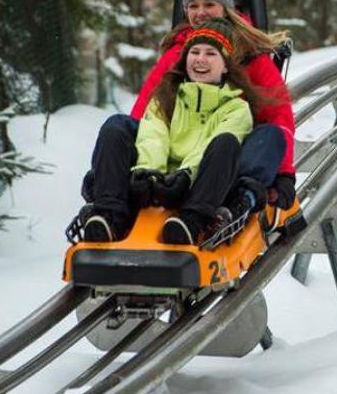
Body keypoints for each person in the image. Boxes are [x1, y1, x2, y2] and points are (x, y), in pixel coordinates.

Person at [84, 0, 296, 227]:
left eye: (209, 4)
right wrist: (136, 164)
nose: (201, 13)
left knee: (268, 136)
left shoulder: (251, 53)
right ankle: (109, 205)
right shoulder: (177, 52)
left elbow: (278, 115)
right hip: (173, 148)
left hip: (221, 154)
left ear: (226, 7)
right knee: (118, 126)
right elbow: (148, 111)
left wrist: (285, 173)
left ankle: (237, 199)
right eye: (193, 6)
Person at [79, 18, 270, 245]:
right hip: (157, 183)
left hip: (196, 185)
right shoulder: (166, 95)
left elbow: (207, 147)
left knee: (226, 143)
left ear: (226, 65)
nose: (200, 59)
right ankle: (110, 216)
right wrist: (148, 172)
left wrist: (185, 176)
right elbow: (153, 134)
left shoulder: (237, 108)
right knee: (114, 128)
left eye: (211, 53)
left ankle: (191, 223)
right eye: (194, 52)